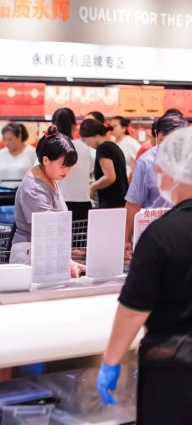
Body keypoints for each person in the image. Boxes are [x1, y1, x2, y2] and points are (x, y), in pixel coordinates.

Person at [98, 127, 192, 424]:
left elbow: (133, 310)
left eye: (162, 168)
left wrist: (110, 361)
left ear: (177, 173)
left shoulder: (161, 234)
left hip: (175, 371)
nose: (158, 174)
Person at [9, 126, 81, 277]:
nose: (67, 171)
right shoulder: (34, 189)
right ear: (46, 160)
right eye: (63, 166)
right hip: (31, 256)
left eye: (70, 166)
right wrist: (67, 262)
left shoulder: (49, 176)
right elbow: (47, 231)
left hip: (44, 253)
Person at [124, 112, 189, 249]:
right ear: (156, 134)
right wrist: (126, 239)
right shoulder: (146, 163)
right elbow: (133, 204)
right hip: (156, 232)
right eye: (163, 141)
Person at [53, 108, 93, 221]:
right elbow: (90, 170)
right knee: (80, 233)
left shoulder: (49, 147)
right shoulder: (85, 148)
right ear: (75, 126)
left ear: (53, 126)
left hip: (57, 204)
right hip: (82, 203)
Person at [79, 119, 128, 209]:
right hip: (121, 201)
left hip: (111, 203)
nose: (87, 144)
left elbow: (110, 177)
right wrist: (96, 182)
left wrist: (93, 187)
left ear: (93, 136)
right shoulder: (113, 146)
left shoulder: (103, 148)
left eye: (85, 140)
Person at [0, 123, 37, 189]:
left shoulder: (32, 152)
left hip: (26, 192)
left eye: (10, 140)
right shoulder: (0, 154)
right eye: (4, 140)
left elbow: (39, 175)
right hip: (3, 193)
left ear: (19, 137)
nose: (6, 143)